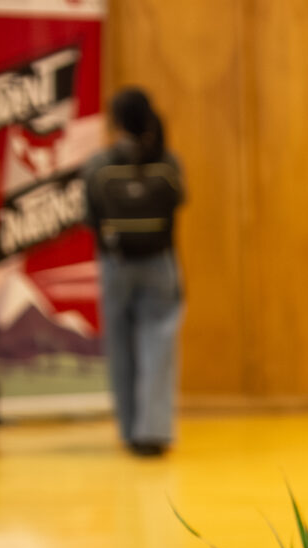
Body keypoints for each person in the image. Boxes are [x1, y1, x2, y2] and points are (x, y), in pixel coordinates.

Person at [82, 87, 184, 456]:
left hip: (116, 263)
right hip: (160, 261)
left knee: (120, 345)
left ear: (116, 121)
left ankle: (128, 430)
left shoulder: (99, 165)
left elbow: (89, 216)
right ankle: (153, 432)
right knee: (158, 343)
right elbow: (178, 203)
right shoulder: (168, 162)